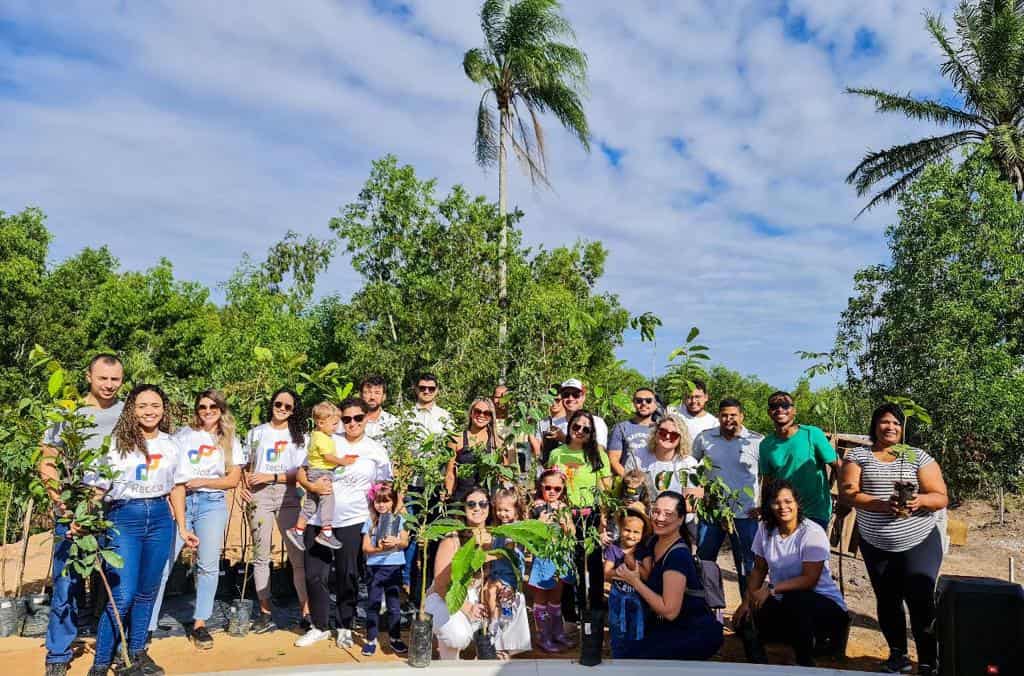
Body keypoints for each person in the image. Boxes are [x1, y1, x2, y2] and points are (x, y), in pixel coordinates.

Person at [84, 384, 198, 676]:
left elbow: (178, 487)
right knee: (122, 594)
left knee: (148, 590)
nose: (150, 411)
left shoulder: (171, 444)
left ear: (164, 409)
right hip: (125, 516)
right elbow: (98, 488)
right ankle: (100, 663)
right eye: (143, 406)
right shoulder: (114, 443)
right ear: (131, 410)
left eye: (156, 405)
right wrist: (83, 520)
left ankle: (135, 652)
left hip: (161, 517)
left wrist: (183, 528)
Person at [840, 403, 947, 675]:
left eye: (897, 423)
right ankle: (897, 655)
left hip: (919, 540)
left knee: (920, 598)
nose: (891, 427)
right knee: (887, 600)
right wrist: (881, 504)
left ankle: (927, 660)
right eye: (885, 422)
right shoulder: (858, 456)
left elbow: (940, 496)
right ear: (875, 425)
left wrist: (918, 500)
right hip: (876, 544)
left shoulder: (916, 456)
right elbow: (849, 494)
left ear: (903, 428)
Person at [40, 354, 125, 676]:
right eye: (103, 378)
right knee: (67, 582)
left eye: (115, 379)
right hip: (72, 507)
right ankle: (58, 653)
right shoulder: (67, 412)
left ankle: (113, 648)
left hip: (116, 507)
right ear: (89, 376)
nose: (108, 385)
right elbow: (47, 460)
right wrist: (59, 500)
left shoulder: (127, 412)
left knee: (115, 581)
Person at [149, 390, 243, 650]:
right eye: (202, 406)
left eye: (213, 406)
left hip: (211, 503)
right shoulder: (183, 436)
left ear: (221, 409)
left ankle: (200, 623)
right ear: (197, 409)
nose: (208, 411)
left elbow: (233, 480)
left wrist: (203, 481)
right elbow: (169, 471)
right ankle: (147, 625)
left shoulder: (230, 440)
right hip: (182, 500)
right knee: (164, 565)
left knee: (209, 565)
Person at [296, 397, 392, 649]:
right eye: (346, 419)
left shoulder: (376, 450)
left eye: (357, 418)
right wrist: (311, 485)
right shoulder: (327, 439)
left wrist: (382, 523)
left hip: (353, 520)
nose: (351, 423)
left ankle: (344, 625)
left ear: (366, 418)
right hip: (319, 519)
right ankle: (319, 625)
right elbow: (301, 471)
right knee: (315, 574)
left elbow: (385, 488)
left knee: (348, 575)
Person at [733, 480, 849, 667]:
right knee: (745, 622)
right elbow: (759, 569)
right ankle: (760, 666)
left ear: (797, 503)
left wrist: (771, 588)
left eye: (788, 501)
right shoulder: (765, 529)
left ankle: (804, 663)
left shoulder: (811, 533)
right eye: (776, 502)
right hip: (785, 600)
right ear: (768, 505)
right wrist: (747, 602)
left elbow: (809, 580)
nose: (782, 507)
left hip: (823, 605)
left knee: (795, 598)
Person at [614, 491, 723, 660]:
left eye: (668, 514)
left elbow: (669, 611)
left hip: (692, 631)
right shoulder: (653, 541)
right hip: (668, 625)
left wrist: (635, 581)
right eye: (656, 512)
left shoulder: (677, 557)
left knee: (633, 658)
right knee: (626, 650)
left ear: (681, 519)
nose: (659, 518)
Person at [425, 486, 525, 659]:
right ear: (463, 508)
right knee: (458, 637)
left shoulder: (496, 536)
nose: (477, 508)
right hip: (448, 595)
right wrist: (467, 607)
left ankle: (500, 651)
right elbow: (442, 585)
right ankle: (448, 658)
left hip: (480, 595)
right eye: (471, 504)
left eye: (482, 504)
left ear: (489, 508)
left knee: (513, 598)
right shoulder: (452, 539)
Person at [242, 388, 310, 633]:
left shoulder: (300, 436)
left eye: (288, 406)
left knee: (297, 556)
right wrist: (244, 485)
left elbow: (302, 472)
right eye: (278, 404)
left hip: (288, 495)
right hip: (259, 497)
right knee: (261, 555)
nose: (282, 408)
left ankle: (306, 612)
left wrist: (271, 475)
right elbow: (246, 466)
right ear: (271, 404)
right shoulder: (256, 434)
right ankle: (265, 612)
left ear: (294, 410)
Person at [546, 409, 613, 619]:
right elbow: (551, 485)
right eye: (576, 426)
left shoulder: (598, 454)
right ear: (569, 427)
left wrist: (603, 519)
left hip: (591, 513)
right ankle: (571, 609)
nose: (580, 431)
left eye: (586, 428)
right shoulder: (556, 454)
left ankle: (595, 607)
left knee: (593, 562)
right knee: (569, 561)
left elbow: (605, 488)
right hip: (566, 514)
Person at [692, 398, 762, 594]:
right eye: (724, 415)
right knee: (705, 561)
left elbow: (768, 476)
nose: (728, 419)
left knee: (747, 565)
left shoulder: (756, 441)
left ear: (741, 416)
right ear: (719, 416)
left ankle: (747, 616)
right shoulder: (705, 438)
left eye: (733, 415)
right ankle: (708, 610)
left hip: (745, 514)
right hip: (711, 512)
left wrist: (762, 506)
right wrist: (698, 493)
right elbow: (690, 465)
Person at [759, 391, 841, 531]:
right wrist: (765, 509)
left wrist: (845, 499)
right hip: (784, 512)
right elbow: (767, 481)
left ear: (794, 411)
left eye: (785, 405)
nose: (780, 409)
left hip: (815, 512)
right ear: (769, 412)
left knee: (812, 552)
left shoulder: (812, 434)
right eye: (774, 406)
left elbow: (839, 466)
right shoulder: (766, 444)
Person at [625, 412, 701, 540]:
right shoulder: (637, 457)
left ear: (681, 438)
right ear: (655, 432)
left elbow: (692, 503)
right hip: (644, 522)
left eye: (674, 434)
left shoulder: (689, 463)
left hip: (680, 526)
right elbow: (628, 493)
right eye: (662, 431)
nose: (667, 436)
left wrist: (663, 514)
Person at [480, 487, 532, 658]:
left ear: (517, 511)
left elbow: (510, 548)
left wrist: (490, 555)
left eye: (507, 510)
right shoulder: (497, 529)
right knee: (489, 590)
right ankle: (495, 624)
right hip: (497, 572)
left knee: (496, 591)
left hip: (510, 573)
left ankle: (499, 625)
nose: (502, 514)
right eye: (499, 510)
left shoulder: (515, 529)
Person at [527, 469, 575, 652]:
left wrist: (565, 525)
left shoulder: (563, 507)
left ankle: (557, 632)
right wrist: (539, 524)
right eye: (548, 488)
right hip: (543, 558)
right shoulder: (535, 507)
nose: (553, 492)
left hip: (560, 557)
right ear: (541, 487)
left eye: (557, 488)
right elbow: (528, 534)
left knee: (556, 597)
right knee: (541, 597)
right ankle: (543, 635)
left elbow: (573, 532)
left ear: (563, 490)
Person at [286, 402, 343, 550]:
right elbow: (328, 457)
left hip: (316, 471)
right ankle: (326, 531)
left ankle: (298, 530)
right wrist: (343, 461)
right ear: (321, 423)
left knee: (311, 504)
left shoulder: (318, 436)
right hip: (321, 472)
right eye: (334, 424)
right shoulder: (321, 438)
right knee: (328, 498)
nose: (336, 427)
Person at [360, 484, 409, 656]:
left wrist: (396, 542)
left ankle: (395, 638)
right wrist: (379, 549)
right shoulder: (369, 522)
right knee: (373, 604)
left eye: (386, 501)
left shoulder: (400, 520)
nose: (381, 505)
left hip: (394, 566)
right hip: (374, 567)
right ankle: (371, 638)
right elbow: (365, 548)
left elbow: (405, 543)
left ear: (393, 502)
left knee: (394, 606)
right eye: (377, 502)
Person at [604, 508, 652, 657]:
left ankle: (635, 658)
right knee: (617, 627)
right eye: (627, 530)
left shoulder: (644, 550)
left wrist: (632, 565)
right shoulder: (613, 548)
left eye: (636, 532)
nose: (631, 535)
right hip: (617, 600)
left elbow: (647, 575)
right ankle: (618, 655)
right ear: (620, 528)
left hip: (639, 601)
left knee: (637, 628)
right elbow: (606, 573)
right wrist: (626, 575)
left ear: (642, 534)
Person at [445, 398, 501, 504]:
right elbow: (450, 474)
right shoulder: (456, 439)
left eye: (487, 413)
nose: (481, 415)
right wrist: (448, 496)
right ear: (471, 413)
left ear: (491, 417)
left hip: (488, 500)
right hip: (462, 499)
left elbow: (503, 476)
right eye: (477, 411)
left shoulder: (497, 442)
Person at [607, 387, 659, 477]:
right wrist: (629, 479)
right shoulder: (621, 428)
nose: (643, 403)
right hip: (629, 482)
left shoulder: (661, 428)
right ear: (633, 404)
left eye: (648, 400)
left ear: (655, 405)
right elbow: (613, 459)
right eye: (639, 400)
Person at [493, 385, 530, 472]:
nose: (501, 400)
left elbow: (524, 451)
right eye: (497, 397)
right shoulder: (487, 421)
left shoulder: (518, 422)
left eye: (505, 397)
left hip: (514, 474)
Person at [529, 385, 565, 467]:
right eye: (550, 400)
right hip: (547, 468)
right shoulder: (542, 423)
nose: (554, 403)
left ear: (564, 400)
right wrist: (528, 428)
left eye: (557, 400)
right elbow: (537, 451)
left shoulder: (571, 422)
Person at [361, 375, 397, 445]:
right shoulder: (351, 421)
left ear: (384, 397)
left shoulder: (392, 422)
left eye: (377, 393)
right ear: (361, 395)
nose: (372, 397)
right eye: (368, 392)